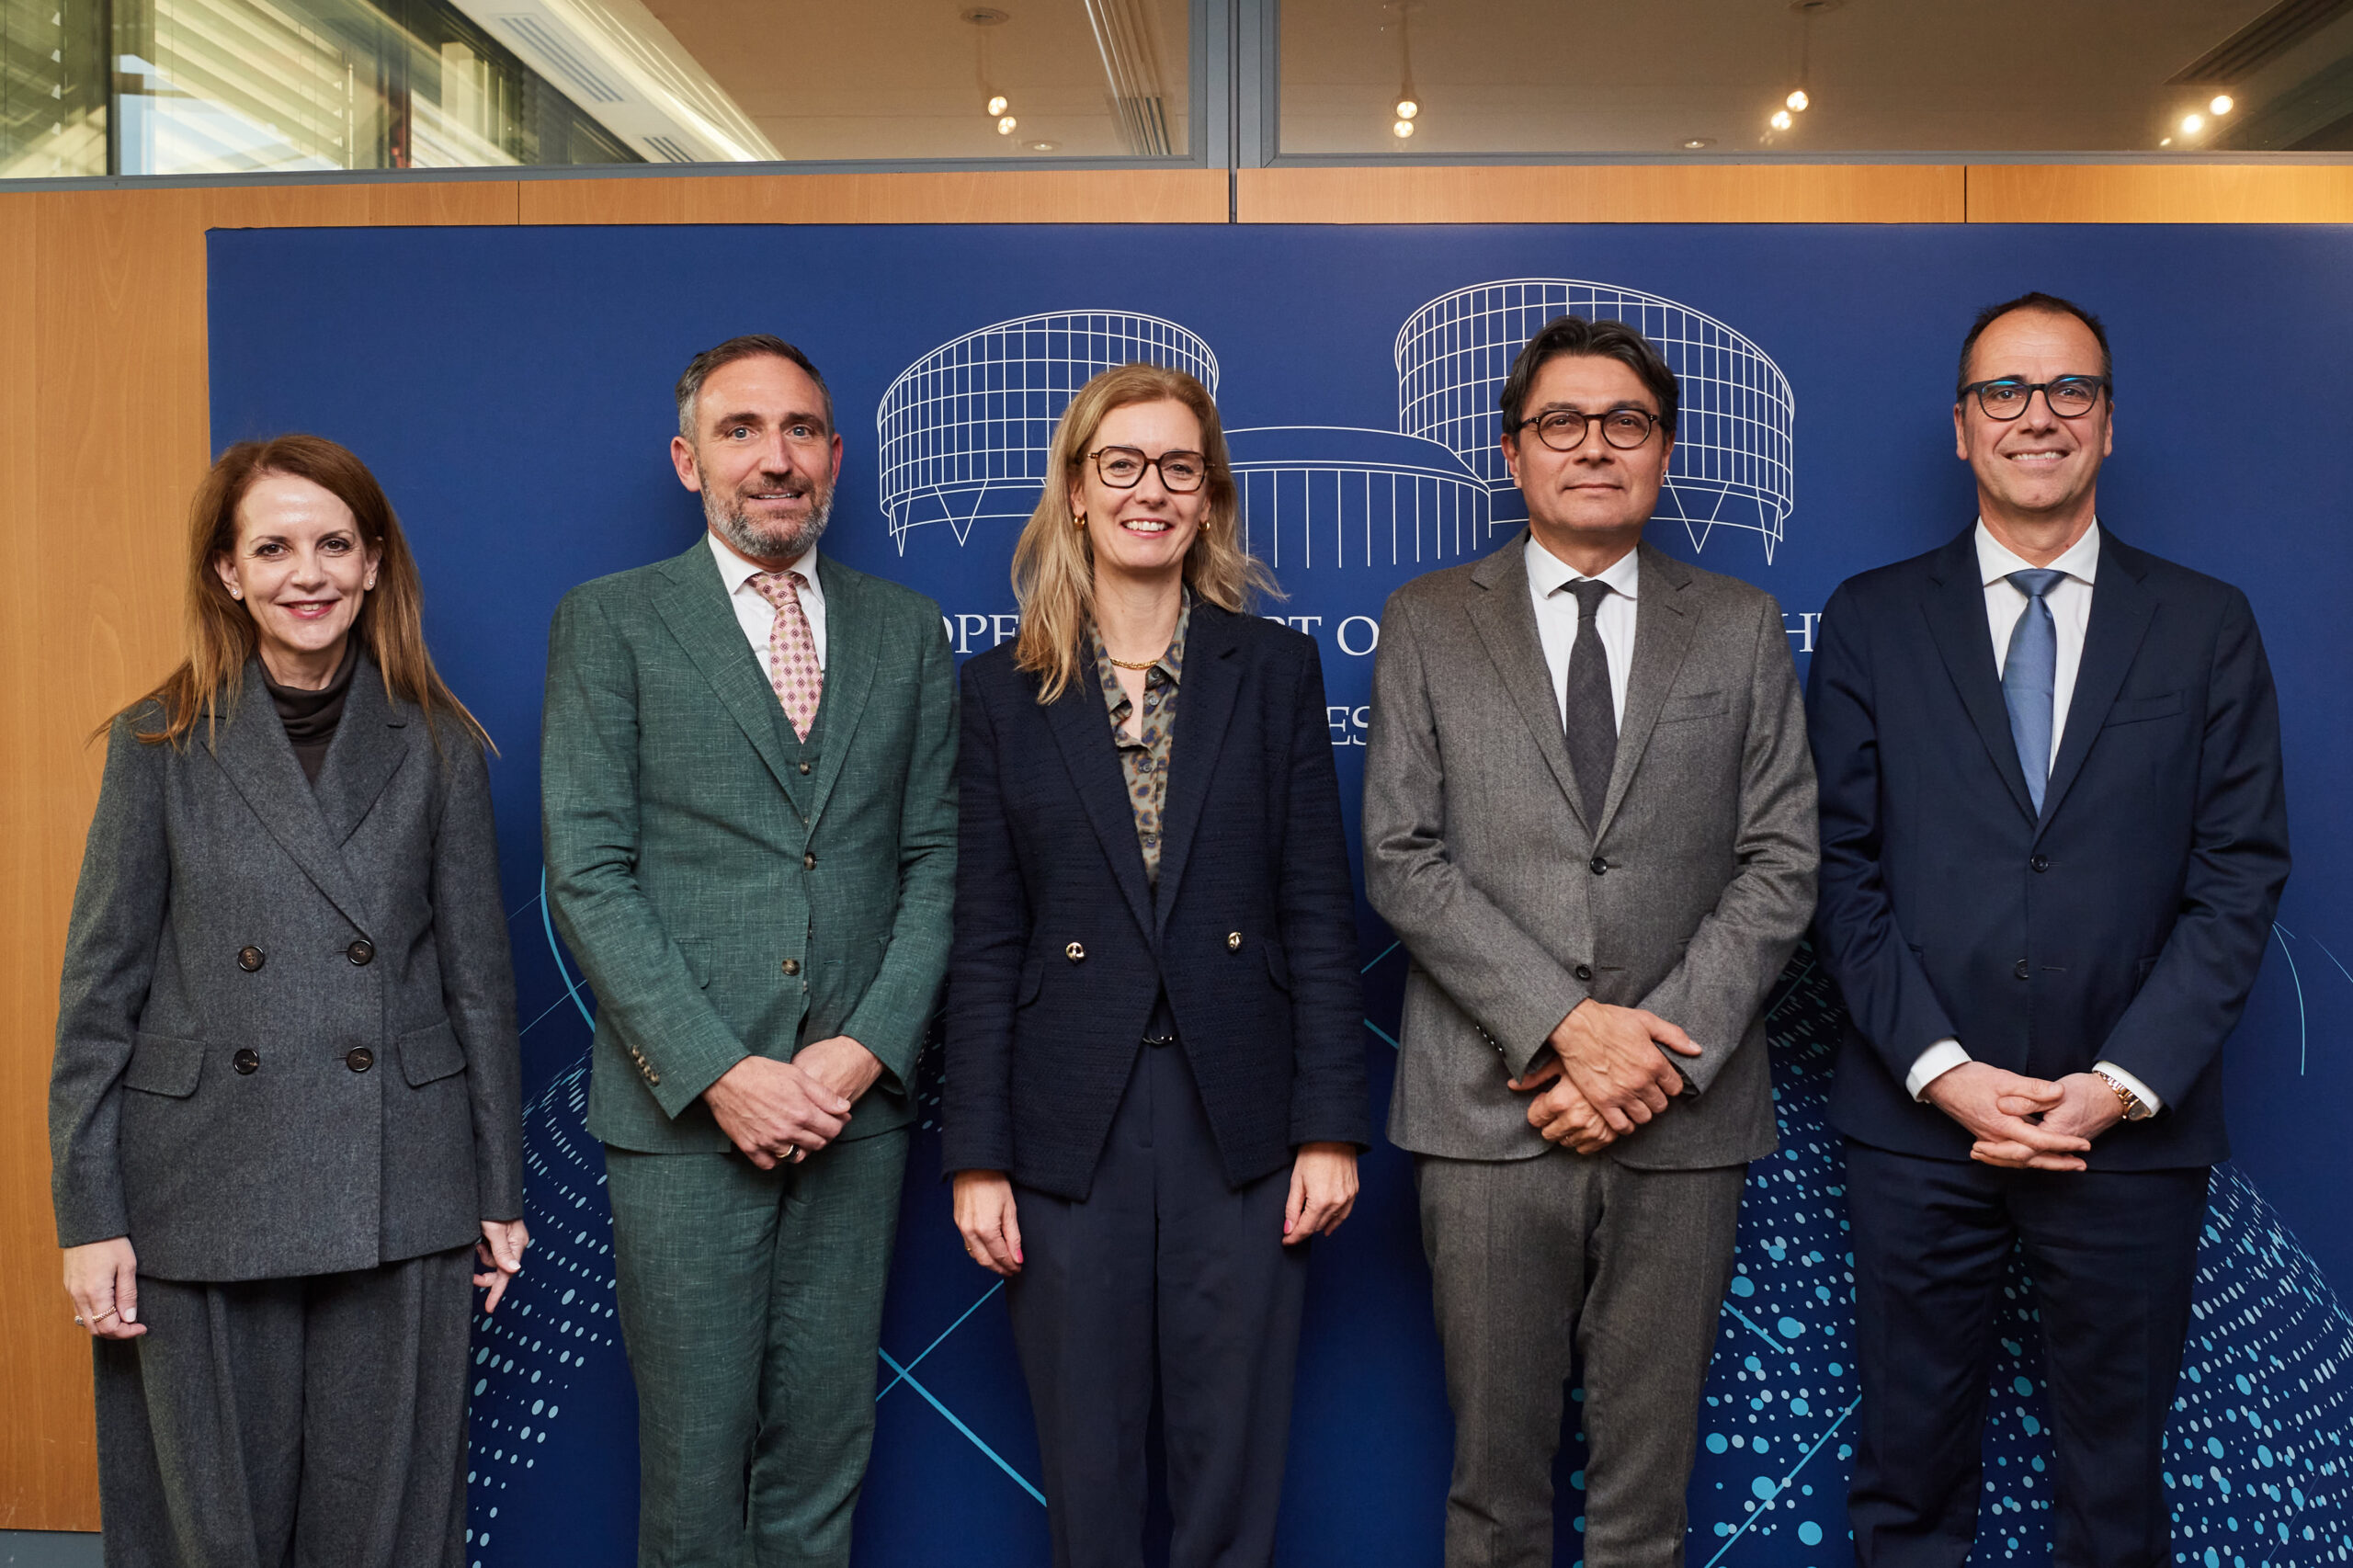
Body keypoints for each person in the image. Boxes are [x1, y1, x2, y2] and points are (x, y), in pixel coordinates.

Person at [1808, 292, 2289, 1568]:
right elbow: (1833, 871)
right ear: (1961, 429)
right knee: (1906, 1473)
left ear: (2110, 425)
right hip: (1917, 1125)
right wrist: (1944, 1071)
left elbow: (2240, 873)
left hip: (2129, 1130)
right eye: (2003, 393)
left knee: (2117, 1486)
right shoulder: (1871, 618)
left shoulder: (2204, 622)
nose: (2037, 416)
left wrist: (2122, 1083)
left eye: (2067, 390)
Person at [1362, 315, 1818, 1568]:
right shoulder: (1428, 619)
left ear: (1663, 452)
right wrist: (1570, 1029)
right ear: (1515, 454)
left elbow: (1782, 861)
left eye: (1626, 423)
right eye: (1562, 423)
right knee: (1493, 1495)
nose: (1595, 448)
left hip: (1685, 1119)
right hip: (1486, 1112)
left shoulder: (1737, 621)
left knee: (1644, 1502)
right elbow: (1402, 856)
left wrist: (1654, 1058)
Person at [50, 434, 527, 1568]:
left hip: (399, 1184)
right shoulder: (156, 742)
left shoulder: (442, 745)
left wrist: (497, 1190)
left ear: (372, 565)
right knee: (208, 1533)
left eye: (331, 544)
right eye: (272, 547)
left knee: (389, 1535)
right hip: (200, 1184)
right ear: (228, 572)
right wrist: (90, 1215)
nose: (304, 572)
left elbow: (477, 985)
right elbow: (99, 994)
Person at [944, 361, 1368, 1568]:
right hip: (1064, 1121)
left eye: (1179, 466)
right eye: (1121, 464)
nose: (1151, 489)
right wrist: (977, 1157)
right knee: (1088, 1471)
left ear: (1210, 495)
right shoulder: (999, 688)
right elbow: (984, 939)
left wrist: (1329, 1127)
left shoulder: (1274, 668)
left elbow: (1315, 911)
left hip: (1240, 1115)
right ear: (1076, 489)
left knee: (1232, 1467)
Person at [541, 334, 956, 1568]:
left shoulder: (908, 628)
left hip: (852, 1117)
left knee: (826, 1455)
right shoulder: (612, 621)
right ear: (688, 459)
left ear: (835, 455)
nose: (776, 459)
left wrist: (858, 1053)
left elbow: (936, 862)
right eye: (741, 431)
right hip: (683, 1119)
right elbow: (590, 873)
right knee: (690, 1462)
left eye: (802, 431)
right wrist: (726, 1070)